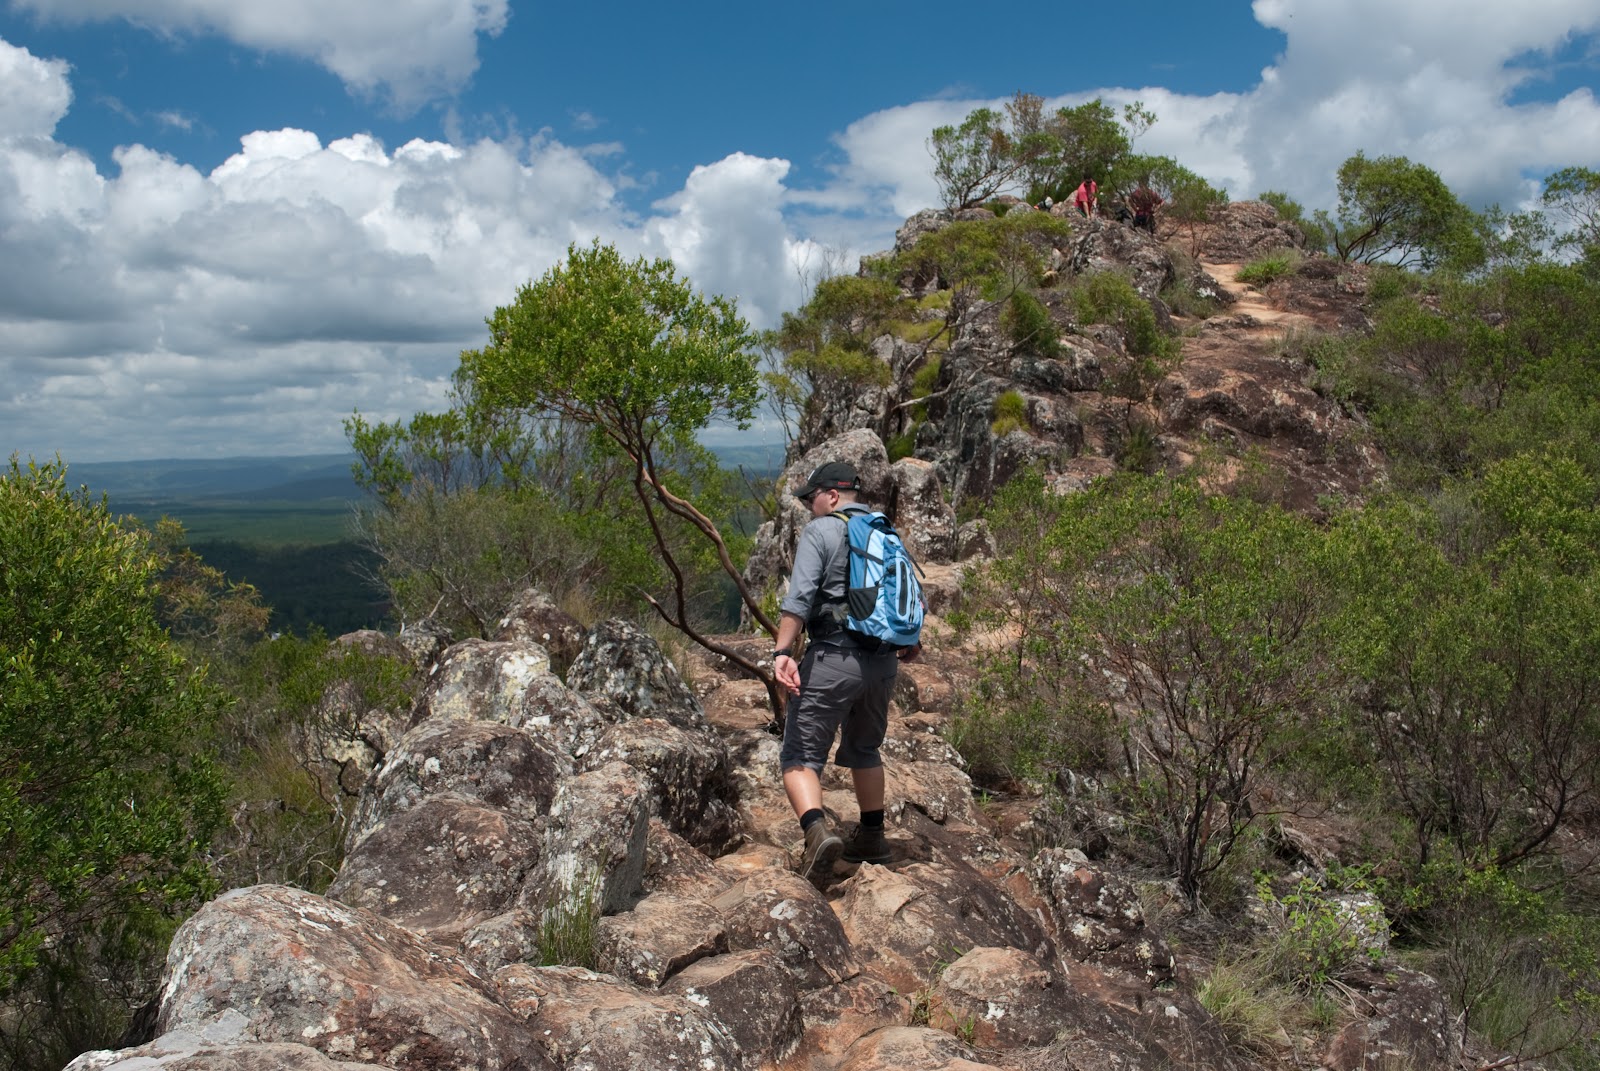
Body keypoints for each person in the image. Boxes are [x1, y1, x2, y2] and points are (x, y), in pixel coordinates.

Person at [772, 461, 921, 878]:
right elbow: (907, 596)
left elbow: (799, 599)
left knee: (799, 754)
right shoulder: (886, 532)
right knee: (865, 749)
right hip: (883, 663)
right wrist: (908, 641)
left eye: (811, 497)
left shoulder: (822, 531)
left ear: (833, 495)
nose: (808, 505)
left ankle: (818, 836)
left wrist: (782, 651)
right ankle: (872, 837)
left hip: (834, 658)